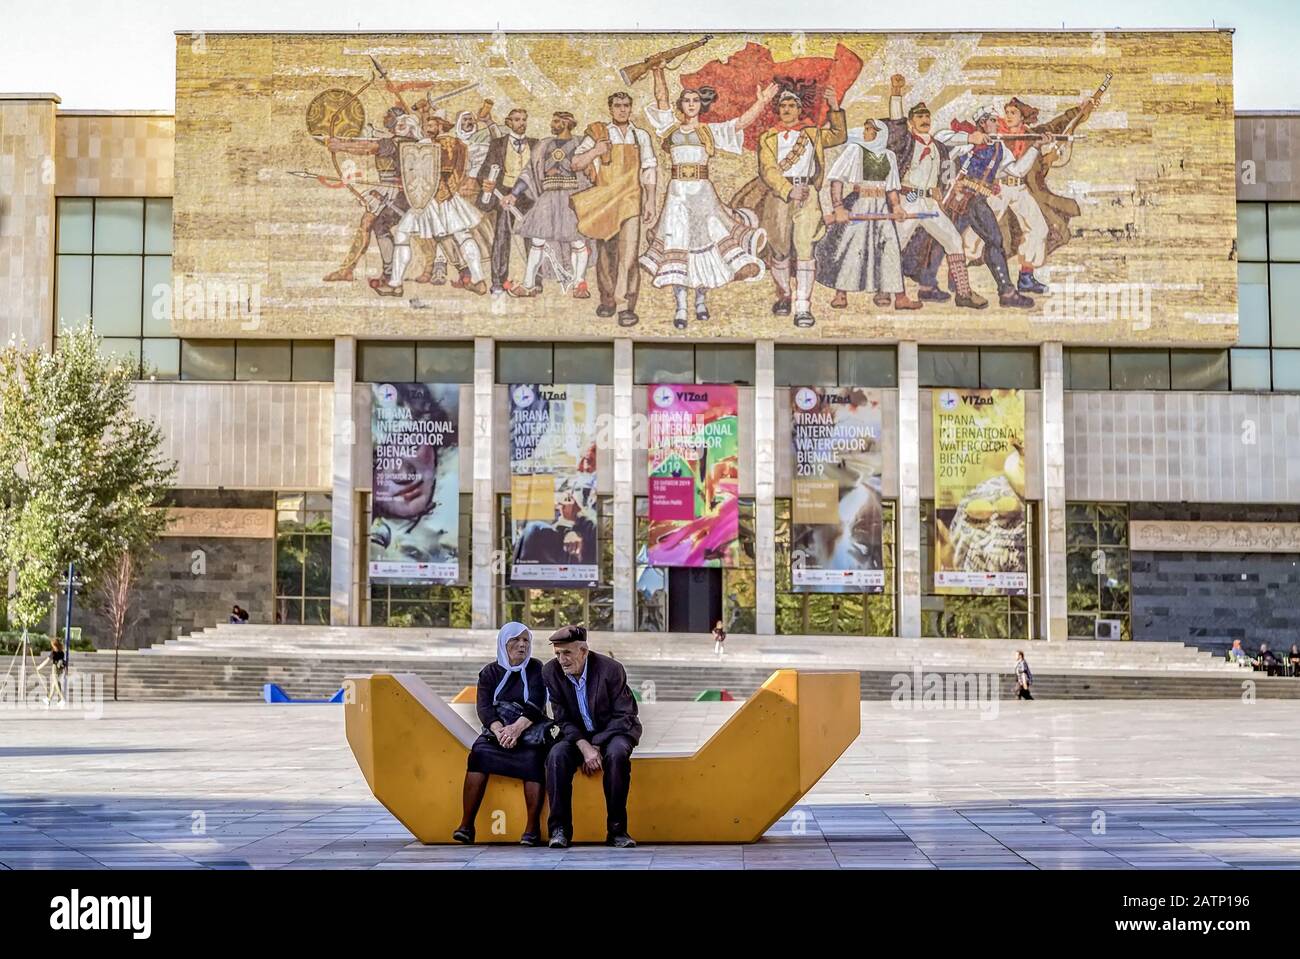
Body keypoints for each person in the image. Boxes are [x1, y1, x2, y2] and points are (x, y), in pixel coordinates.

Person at [639, 63, 777, 329]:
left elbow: (741, 123)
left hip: (702, 194)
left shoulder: (709, 131)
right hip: (678, 194)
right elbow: (661, 99)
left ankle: (701, 300)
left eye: (695, 101)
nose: (691, 104)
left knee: (707, 245)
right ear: (681, 105)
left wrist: (761, 103)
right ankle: (680, 306)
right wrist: (657, 71)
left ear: (700, 106)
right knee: (678, 244)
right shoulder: (670, 129)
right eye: (686, 101)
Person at [733, 83, 846, 327]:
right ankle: (784, 294)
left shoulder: (812, 132)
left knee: (806, 250)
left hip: (807, 195)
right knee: (780, 249)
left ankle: (803, 306)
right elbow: (768, 169)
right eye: (782, 105)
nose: (786, 109)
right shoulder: (768, 137)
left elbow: (838, 135)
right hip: (780, 197)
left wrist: (834, 107)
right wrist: (787, 190)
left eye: (791, 105)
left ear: (799, 109)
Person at [881, 74, 987, 309]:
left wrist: (945, 187)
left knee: (953, 240)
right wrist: (896, 93)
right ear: (911, 122)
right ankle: (885, 292)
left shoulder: (938, 145)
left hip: (929, 202)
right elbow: (896, 122)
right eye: (919, 116)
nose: (924, 119)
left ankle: (963, 294)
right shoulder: (905, 141)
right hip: (909, 198)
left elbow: (946, 171)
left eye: (926, 116)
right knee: (894, 244)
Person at [541, 624, 642, 848]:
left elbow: (625, 715)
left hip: (614, 731)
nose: (562, 660)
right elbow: (562, 718)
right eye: (557, 654)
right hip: (577, 735)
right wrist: (584, 746)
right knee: (556, 756)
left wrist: (595, 745)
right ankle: (559, 830)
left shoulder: (611, 669)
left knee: (616, 756)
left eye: (567, 653)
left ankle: (617, 831)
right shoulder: (551, 672)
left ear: (584, 651)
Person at [454, 622, 553, 846]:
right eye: (515, 640)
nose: (521, 645)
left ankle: (531, 828)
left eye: (526, 640)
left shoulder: (536, 668)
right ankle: (466, 825)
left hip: (527, 731)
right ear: (503, 643)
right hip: (498, 733)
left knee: (534, 760)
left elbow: (536, 703)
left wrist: (516, 729)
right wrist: (500, 732)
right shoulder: (490, 672)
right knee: (478, 754)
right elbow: (484, 708)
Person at [571, 91, 659, 327]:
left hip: (631, 200)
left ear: (631, 108)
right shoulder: (599, 133)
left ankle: (625, 305)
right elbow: (576, 163)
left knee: (629, 255)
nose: (622, 109)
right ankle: (608, 299)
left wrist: (650, 200)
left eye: (626, 105)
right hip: (606, 201)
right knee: (606, 255)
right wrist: (595, 151)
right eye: (618, 106)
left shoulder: (640, 136)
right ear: (610, 109)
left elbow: (649, 169)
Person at [815, 117, 920, 312]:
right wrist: (838, 207)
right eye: (865, 129)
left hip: (882, 207)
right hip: (859, 204)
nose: (865, 133)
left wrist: (896, 207)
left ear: (880, 134)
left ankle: (900, 297)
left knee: (889, 248)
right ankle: (841, 293)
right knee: (851, 246)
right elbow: (837, 180)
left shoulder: (889, 156)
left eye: (869, 130)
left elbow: (892, 188)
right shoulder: (855, 151)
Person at [502, 111, 593, 298]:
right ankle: (528, 285)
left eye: (558, 121)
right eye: (553, 120)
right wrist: (514, 193)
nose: (553, 124)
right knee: (537, 241)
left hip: (573, 198)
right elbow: (528, 172)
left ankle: (579, 284)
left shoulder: (580, 143)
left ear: (568, 123)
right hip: (548, 198)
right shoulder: (544, 144)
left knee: (578, 241)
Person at [476, 107, 536, 294]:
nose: (521, 123)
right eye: (517, 119)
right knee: (502, 237)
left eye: (524, 119)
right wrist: (486, 182)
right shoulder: (498, 144)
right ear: (509, 122)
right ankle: (498, 282)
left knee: (535, 238)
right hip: (505, 195)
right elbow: (484, 170)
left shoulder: (536, 144)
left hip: (529, 195)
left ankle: (535, 281)